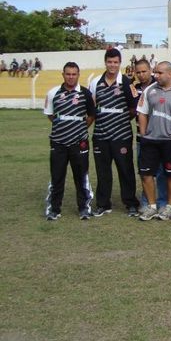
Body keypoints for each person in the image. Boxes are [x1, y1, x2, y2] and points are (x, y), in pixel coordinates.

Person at [88, 48, 140, 217]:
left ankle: (130, 203)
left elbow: (134, 108)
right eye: (109, 62)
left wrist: (122, 121)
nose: (112, 65)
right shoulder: (95, 82)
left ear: (120, 63)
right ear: (105, 62)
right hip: (100, 135)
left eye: (115, 62)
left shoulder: (126, 82)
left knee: (125, 170)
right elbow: (91, 106)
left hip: (122, 135)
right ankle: (103, 204)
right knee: (102, 171)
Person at [136, 61, 171, 221]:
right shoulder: (149, 91)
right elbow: (142, 113)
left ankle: (169, 206)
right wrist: (144, 135)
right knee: (146, 174)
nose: (156, 75)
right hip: (150, 140)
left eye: (160, 73)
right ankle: (152, 206)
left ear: (170, 74)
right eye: (155, 72)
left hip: (170, 141)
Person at [43, 62, 96, 220]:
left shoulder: (85, 93)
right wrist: (63, 127)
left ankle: (84, 208)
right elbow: (50, 115)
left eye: (74, 74)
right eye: (68, 74)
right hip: (58, 142)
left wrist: (79, 129)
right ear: (63, 75)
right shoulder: (53, 93)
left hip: (79, 142)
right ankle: (54, 209)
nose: (71, 77)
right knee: (57, 177)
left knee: (81, 177)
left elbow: (91, 116)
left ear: (78, 75)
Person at [133, 59, 167, 213]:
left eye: (144, 71)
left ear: (150, 70)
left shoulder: (159, 86)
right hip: (142, 137)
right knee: (145, 171)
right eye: (138, 72)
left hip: (160, 137)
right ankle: (146, 202)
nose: (141, 75)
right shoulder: (134, 89)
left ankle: (162, 202)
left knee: (161, 172)